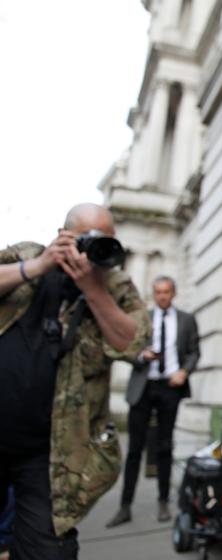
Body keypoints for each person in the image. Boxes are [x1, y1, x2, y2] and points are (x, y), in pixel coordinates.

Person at [0, 203, 151, 559]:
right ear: (63, 237)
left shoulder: (114, 285)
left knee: (49, 551)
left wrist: (93, 289)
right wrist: (38, 267)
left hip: (49, 455)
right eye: (87, 239)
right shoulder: (25, 256)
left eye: (106, 241)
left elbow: (133, 342)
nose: (94, 249)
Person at [106, 275, 199, 526]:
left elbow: (193, 352)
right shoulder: (142, 319)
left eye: (166, 291)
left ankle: (162, 501)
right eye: (158, 292)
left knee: (165, 447)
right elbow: (126, 349)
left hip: (170, 387)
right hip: (143, 387)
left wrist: (184, 371)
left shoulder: (187, 320)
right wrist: (141, 356)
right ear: (153, 294)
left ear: (174, 293)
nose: (162, 296)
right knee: (135, 449)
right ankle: (125, 506)